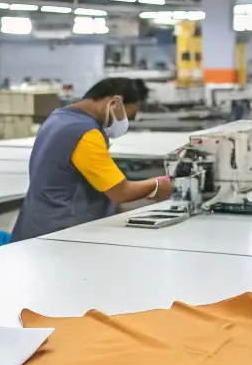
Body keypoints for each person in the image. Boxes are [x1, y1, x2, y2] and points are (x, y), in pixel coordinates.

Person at [11, 77, 173, 242]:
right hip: (62, 234)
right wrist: (157, 185)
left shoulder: (57, 118)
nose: (125, 123)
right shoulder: (85, 133)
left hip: (34, 226)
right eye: (127, 117)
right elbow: (121, 192)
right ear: (115, 103)